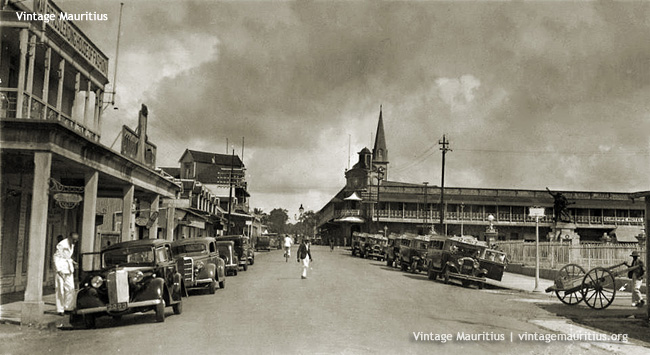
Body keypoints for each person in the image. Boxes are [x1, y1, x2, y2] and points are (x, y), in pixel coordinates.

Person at [53, 232, 79, 315]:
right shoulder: (62, 244)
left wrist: (73, 262)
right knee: (60, 289)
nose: (75, 241)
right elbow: (56, 257)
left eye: (76, 240)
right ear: (69, 237)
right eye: (74, 239)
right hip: (61, 269)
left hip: (69, 269)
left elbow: (67, 257)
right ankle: (60, 309)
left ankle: (68, 307)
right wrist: (58, 270)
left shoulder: (72, 244)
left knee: (70, 288)